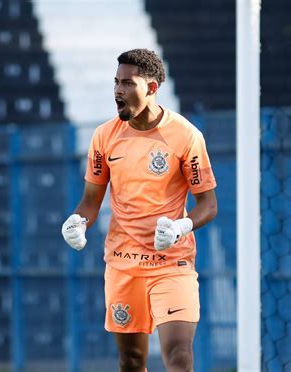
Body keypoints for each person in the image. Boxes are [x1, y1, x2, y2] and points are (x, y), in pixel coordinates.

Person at [61, 48, 217, 372]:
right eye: (116, 82)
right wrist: (77, 222)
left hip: (172, 262)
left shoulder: (186, 136)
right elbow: (91, 200)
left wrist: (180, 228)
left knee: (179, 355)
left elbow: (208, 204)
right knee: (131, 361)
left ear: (151, 88)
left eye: (128, 83)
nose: (118, 90)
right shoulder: (104, 137)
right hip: (123, 264)